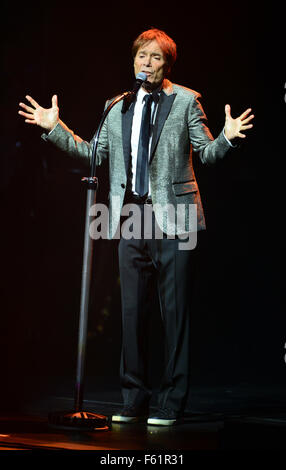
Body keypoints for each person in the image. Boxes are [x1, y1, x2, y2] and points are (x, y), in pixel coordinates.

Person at [18, 28, 254, 426]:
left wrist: (228, 139)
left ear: (167, 65)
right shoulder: (116, 106)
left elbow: (208, 154)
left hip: (175, 217)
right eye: (141, 56)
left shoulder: (186, 101)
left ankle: (172, 403)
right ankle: (134, 400)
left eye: (156, 57)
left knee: (174, 314)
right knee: (132, 313)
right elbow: (92, 154)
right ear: (133, 61)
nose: (147, 63)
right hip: (130, 217)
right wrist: (53, 127)